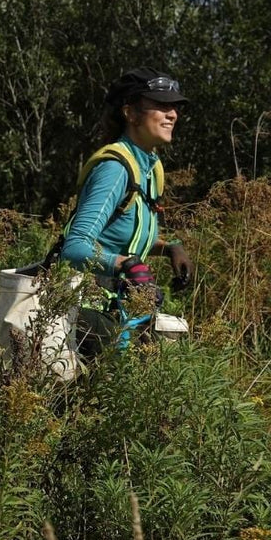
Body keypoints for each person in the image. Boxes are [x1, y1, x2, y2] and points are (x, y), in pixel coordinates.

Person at [58, 67, 195, 350]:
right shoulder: (115, 170)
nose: (172, 114)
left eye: (174, 107)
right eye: (160, 105)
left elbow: (121, 238)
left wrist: (170, 248)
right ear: (130, 113)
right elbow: (73, 248)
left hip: (119, 310)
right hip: (83, 311)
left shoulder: (150, 167)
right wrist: (125, 265)